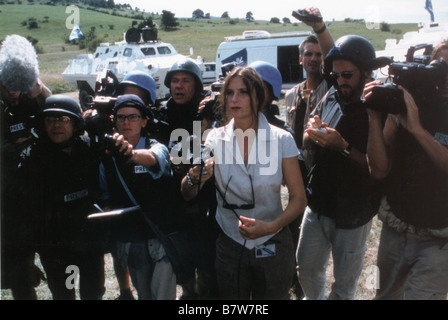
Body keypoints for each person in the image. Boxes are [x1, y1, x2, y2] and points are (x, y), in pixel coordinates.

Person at [200, 66, 307, 299]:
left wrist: (271, 226)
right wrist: (193, 177)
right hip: (229, 241)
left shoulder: (282, 139)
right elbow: (188, 191)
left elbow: (299, 198)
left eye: (243, 92)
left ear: (258, 97)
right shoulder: (213, 139)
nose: (234, 99)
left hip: (273, 239)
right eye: (229, 93)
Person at [295, 34, 382, 300]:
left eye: (347, 75)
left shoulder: (377, 106)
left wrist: (342, 146)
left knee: (344, 284)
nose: (340, 81)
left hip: (353, 211)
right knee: (306, 269)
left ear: (365, 72)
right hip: (319, 202)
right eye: (336, 75)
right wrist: (314, 135)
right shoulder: (333, 95)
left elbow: (378, 168)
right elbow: (306, 136)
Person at [363, 43, 448, 300]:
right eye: (439, 67)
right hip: (397, 227)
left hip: (438, 237)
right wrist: (375, 117)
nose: (444, 77)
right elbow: (379, 170)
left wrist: (417, 130)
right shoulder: (407, 103)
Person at [8, 95, 105, 299]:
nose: (56, 125)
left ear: (76, 123)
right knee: (64, 294)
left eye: (63, 119)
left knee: (93, 292)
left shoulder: (88, 148)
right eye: (50, 119)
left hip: (88, 240)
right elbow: (22, 212)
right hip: (55, 246)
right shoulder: (32, 159)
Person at [97, 94, 179, 300]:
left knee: (162, 295)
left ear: (144, 121)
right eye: (121, 117)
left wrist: (132, 154)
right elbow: (104, 190)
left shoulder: (156, 146)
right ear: (113, 121)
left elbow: (156, 160)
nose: (126, 122)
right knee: (143, 293)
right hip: (132, 236)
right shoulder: (107, 156)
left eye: (133, 117)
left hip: (159, 234)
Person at [157, 58, 219, 300]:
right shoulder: (162, 113)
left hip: (205, 198)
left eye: (185, 80)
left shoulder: (209, 111)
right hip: (173, 198)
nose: (179, 86)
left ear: (196, 84)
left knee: (207, 266)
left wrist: (207, 120)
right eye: (174, 80)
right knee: (182, 265)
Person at [0, 34, 52, 299]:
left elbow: (58, 112)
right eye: (7, 86)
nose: (12, 92)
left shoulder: (33, 95)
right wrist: (11, 148)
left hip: (41, 194)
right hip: (11, 201)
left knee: (57, 264)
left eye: (17, 87)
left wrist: (37, 88)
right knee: (20, 275)